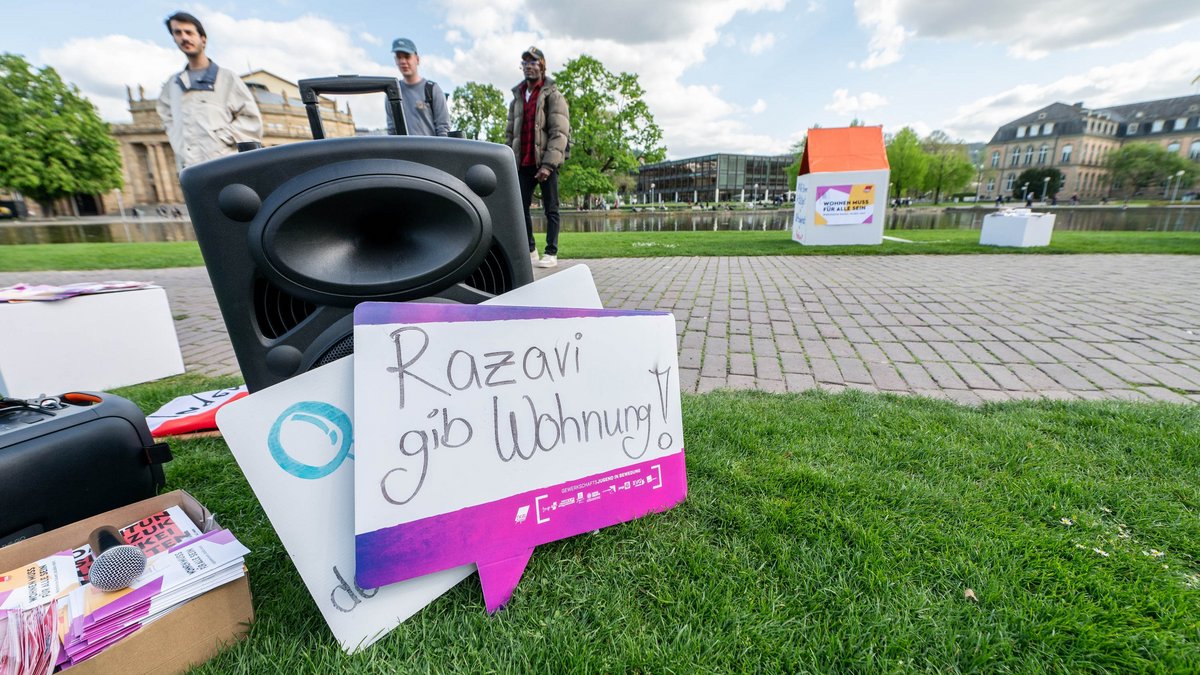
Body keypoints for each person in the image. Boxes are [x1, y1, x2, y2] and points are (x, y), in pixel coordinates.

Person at [157, 12, 262, 172]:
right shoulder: (172, 85)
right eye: (177, 32)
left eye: (189, 32)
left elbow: (251, 119)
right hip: (190, 169)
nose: (184, 38)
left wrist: (221, 138)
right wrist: (179, 142)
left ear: (203, 39)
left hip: (225, 164)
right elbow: (166, 118)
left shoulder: (227, 78)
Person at [506, 46, 570, 269]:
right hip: (521, 163)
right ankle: (530, 249)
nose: (529, 67)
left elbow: (559, 132)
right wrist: (508, 160)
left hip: (544, 162)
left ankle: (551, 252)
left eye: (534, 62)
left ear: (542, 65)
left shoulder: (553, 95)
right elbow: (510, 134)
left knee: (551, 208)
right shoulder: (516, 99)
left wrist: (549, 164)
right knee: (518, 209)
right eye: (525, 63)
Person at [385, 38, 450, 137]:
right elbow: (392, 131)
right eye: (399, 57)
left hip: (430, 151)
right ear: (395, 60)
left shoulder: (432, 90)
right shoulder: (392, 93)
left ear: (417, 59)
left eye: (407, 56)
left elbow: (443, 129)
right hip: (403, 151)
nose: (403, 61)